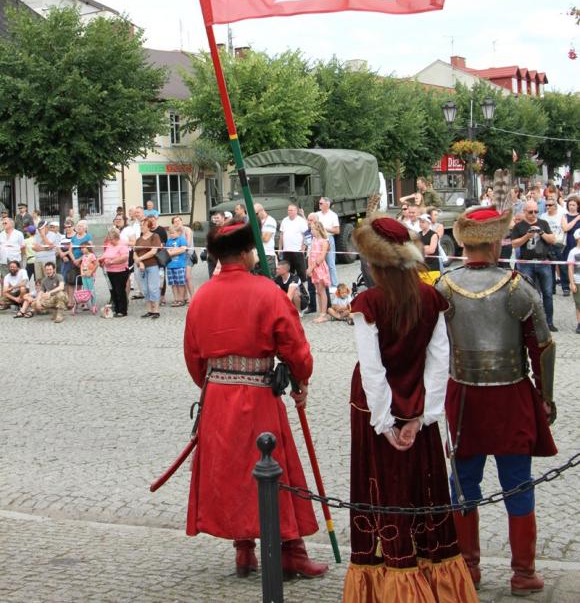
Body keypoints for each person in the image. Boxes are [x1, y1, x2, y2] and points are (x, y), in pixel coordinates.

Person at [184, 220, 327, 580]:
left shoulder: (201, 296)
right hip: (258, 396)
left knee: (234, 470)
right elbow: (294, 344)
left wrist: (215, 385)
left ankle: (244, 551)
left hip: (217, 397)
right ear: (249, 252)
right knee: (274, 469)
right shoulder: (267, 292)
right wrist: (300, 379)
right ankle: (290, 552)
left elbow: (193, 356)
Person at [343, 215, 476, 602]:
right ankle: (433, 579)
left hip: (376, 410)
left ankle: (391, 582)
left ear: (375, 262)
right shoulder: (430, 297)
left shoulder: (368, 303)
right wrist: (422, 416)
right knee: (422, 487)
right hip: (418, 402)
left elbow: (372, 368)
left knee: (383, 489)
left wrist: (385, 422)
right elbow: (439, 360)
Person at [436, 177, 557, 595]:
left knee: (463, 483)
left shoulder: (444, 286)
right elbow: (542, 347)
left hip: (463, 396)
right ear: (495, 242)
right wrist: (546, 398)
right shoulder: (516, 287)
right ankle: (523, 573)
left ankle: (467, 568)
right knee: (517, 482)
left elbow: (431, 348)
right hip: (511, 397)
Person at [511, 200, 557, 331]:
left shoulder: (543, 223)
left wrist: (541, 233)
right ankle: (531, 323)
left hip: (543, 262)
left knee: (547, 293)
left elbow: (553, 240)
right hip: (527, 263)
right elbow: (514, 244)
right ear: (525, 211)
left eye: (536, 211)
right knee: (529, 294)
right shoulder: (519, 226)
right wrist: (527, 236)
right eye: (530, 212)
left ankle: (549, 322)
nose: (533, 214)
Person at [133, 217, 162, 319]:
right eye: (140, 225)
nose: (141, 227)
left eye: (143, 225)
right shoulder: (138, 239)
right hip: (141, 267)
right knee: (145, 289)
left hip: (152, 265)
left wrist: (140, 259)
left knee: (153, 288)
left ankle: (156, 310)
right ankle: (149, 310)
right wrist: (140, 262)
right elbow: (134, 253)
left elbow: (153, 251)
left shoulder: (155, 236)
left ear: (149, 227)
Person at [99, 228, 131, 317]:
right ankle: (116, 309)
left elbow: (124, 257)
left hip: (121, 271)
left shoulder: (123, 244)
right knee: (113, 291)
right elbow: (105, 254)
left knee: (120, 290)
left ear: (117, 238)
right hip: (110, 271)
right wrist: (101, 260)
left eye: (112, 239)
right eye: (109, 239)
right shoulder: (110, 244)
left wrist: (112, 262)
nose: (110, 241)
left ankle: (122, 310)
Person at [307, 220, 331, 323]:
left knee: (322, 291)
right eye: (311, 229)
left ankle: (323, 314)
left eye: (313, 229)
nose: (311, 231)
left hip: (319, 268)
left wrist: (311, 268)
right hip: (313, 268)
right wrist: (309, 267)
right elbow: (310, 254)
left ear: (318, 229)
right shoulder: (313, 240)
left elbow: (321, 257)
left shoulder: (324, 241)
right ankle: (321, 312)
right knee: (318, 291)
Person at [279, 204, 308, 285]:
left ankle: (303, 288)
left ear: (296, 211)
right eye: (288, 210)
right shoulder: (284, 220)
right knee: (288, 272)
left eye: (291, 210)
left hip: (297, 251)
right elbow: (281, 234)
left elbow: (306, 234)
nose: (289, 212)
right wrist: (280, 248)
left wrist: (304, 246)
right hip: (286, 251)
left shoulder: (301, 221)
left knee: (301, 272)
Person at [315, 197, 340, 287]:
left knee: (330, 263)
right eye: (319, 203)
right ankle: (324, 284)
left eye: (321, 203)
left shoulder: (333, 215)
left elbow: (337, 230)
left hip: (328, 238)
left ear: (327, 204)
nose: (319, 205)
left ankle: (334, 285)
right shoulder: (317, 214)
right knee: (319, 263)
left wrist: (324, 228)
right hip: (318, 239)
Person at [171, 215, 195, 299]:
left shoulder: (187, 230)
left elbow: (187, 244)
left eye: (178, 221)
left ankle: (193, 297)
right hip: (178, 256)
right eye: (175, 222)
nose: (177, 223)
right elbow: (171, 244)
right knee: (181, 277)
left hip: (188, 255)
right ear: (173, 224)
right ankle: (185, 297)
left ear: (181, 221)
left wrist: (177, 248)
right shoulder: (174, 232)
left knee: (187, 276)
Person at [165, 224, 188, 306]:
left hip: (179, 265)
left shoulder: (182, 239)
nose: (171, 235)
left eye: (173, 233)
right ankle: (176, 299)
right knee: (173, 283)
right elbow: (166, 250)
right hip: (170, 265)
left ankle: (181, 299)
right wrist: (170, 252)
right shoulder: (169, 241)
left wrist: (171, 253)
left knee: (180, 283)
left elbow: (182, 250)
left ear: (179, 232)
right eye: (170, 233)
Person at [254, 202, 277, 277]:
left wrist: (253, 235)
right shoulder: (257, 221)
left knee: (269, 278)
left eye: (256, 213)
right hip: (256, 254)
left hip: (267, 254)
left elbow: (266, 238)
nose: (255, 216)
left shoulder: (270, 221)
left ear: (261, 210)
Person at [567, 228, 580, 334]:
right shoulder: (573, 252)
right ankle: (579, 324)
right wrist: (572, 283)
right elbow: (570, 268)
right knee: (579, 304)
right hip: (577, 280)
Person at [80, 242, 98, 310]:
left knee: (91, 290)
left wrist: (91, 272)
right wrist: (82, 272)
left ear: (88, 247)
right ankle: (86, 304)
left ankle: (94, 305)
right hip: (84, 275)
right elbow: (82, 265)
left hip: (90, 276)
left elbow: (96, 264)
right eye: (81, 248)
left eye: (83, 247)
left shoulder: (92, 255)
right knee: (85, 290)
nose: (82, 249)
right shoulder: (83, 256)